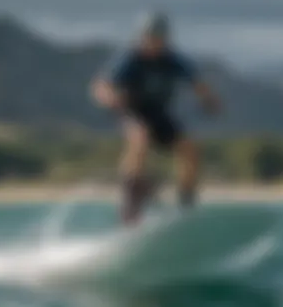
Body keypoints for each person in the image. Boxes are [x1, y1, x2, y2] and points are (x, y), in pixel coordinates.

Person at [91, 12, 220, 225]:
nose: (154, 43)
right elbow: (101, 85)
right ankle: (129, 198)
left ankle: (186, 201)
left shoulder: (173, 60)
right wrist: (108, 97)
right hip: (132, 111)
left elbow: (197, 82)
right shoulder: (131, 59)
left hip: (158, 114)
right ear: (142, 37)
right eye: (150, 38)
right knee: (140, 138)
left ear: (166, 39)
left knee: (189, 148)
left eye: (159, 38)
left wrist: (208, 99)